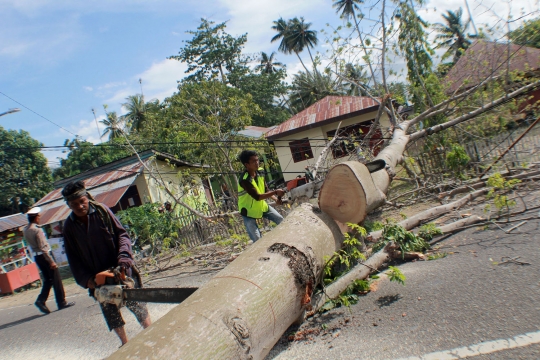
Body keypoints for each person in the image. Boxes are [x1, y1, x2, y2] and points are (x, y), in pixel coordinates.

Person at [61, 180, 151, 346]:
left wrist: (124, 257)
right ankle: (125, 344)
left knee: (137, 304)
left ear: (87, 197)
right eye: (74, 204)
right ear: (69, 205)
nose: (80, 206)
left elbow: (122, 234)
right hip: (98, 278)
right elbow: (73, 258)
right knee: (111, 312)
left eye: (82, 202)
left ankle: (151, 332)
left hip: (120, 269)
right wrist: (88, 280)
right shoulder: (69, 227)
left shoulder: (102, 211)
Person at [23, 207, 75, 314]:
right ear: (35, 217)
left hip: (37, 257)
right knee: (56, 279)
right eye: (39, 217)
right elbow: (43, 248)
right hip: (44, 256)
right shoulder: (37, 229)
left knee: (48, 280)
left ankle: (41, 300)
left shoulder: (26, 229)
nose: (39, 219)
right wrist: (51, 261)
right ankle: (61, 302)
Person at [238, 150, 286, 242]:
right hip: (248, 211)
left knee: (281, 220)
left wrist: (276, 199)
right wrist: (275, 192)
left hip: (261, 206)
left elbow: (266, 189)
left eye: (257, 160)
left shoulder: (260, 172)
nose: (257, 163)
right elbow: (258, 197)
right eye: (253, 161)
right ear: (246, 164)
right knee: (257, 239)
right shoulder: (244, 179)